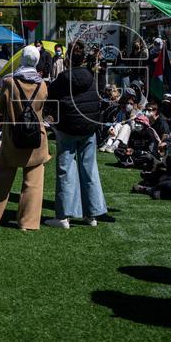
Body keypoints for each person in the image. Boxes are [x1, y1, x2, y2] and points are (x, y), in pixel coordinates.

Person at [0, 46, 50, 230]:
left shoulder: (9, 82)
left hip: (12, 136)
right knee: (34, 182)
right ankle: (28, 222)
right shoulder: (43, 85)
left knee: (2, 180)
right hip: (36, 138)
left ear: (22, 59)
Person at [44, 43, 108, 228]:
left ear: (67, 59)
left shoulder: (63, 78)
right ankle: (91, 214)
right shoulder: (91, 76)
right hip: (88, 128)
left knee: (66, 170)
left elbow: (51, 98)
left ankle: (64, 216)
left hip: (68, 128)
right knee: (89, 170)